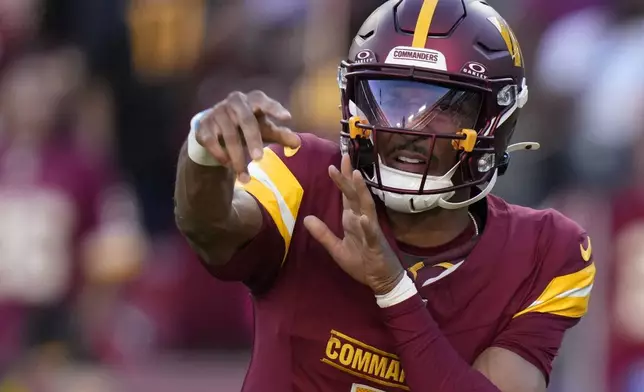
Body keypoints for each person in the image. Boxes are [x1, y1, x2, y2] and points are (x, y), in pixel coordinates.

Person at [174, 0, 596, 391]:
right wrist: (204, 154)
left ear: (496, 121)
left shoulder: (545, 252)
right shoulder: (306, 175)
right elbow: (210, 229)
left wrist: (392, 288)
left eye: (445, 107)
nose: (409, 129)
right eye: (390, 99)